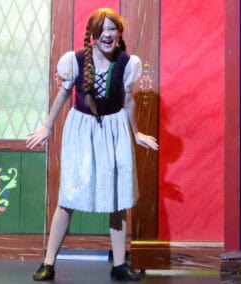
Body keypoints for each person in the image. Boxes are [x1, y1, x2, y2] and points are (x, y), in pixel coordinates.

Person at [26, 7, 158, 282]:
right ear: (93, 35)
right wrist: (48, 126)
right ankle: (48, 262)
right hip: (82, 130)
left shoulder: (126, 62)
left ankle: (120, 264)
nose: (107, 35)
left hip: (114, 129)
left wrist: (136, 133)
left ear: (119, 33)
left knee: (118, 197)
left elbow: (129, 100)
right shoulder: (75, 61)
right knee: (68, 197)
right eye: (102, 30)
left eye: (112, 29)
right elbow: (64, 94)